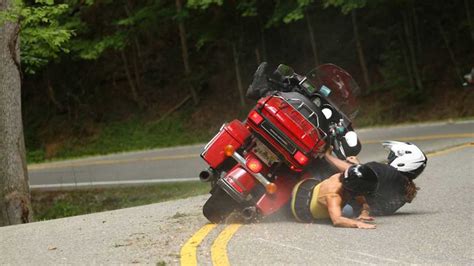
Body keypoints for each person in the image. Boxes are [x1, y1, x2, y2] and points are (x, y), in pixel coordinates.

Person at [325, 141, 427, 216]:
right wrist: (360, 165)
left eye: (392, 156)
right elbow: (374, 186)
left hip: (339, 203)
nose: (389, 159)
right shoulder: (404, 189)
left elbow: (352, 172)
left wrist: (327, 155)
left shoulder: (388, 172)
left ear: (403, 160)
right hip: (350, 210)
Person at [290, 162, 379, 229]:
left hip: (305, 185)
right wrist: (358, 224)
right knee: (349, 211)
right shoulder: (334, 195)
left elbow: (358, 194)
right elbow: (337, 220)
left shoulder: (341, 176)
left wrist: (364, 211)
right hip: (302, 210)